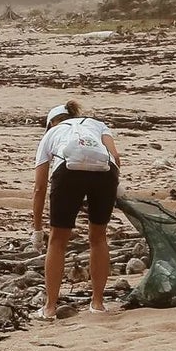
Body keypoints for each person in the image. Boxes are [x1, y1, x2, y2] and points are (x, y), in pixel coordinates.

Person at [31, 101, 121, 321]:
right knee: (98, 237)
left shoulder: (52, 134)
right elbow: (116, 158)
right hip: (104, 173)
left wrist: (37, 229)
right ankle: (98, 303)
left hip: (68, 172)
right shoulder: (97, 125)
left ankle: (50, 307)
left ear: (52, 122)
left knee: (57, 241)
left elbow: (39, 187)